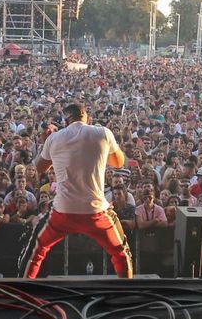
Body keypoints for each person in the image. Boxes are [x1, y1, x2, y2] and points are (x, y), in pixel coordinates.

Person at [22, 102, 133, 278]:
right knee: (121, 253)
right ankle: (127, 298)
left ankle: (23, 295)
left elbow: (39, 167)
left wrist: (48, 143)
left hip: (63, 212)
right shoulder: (102, 132)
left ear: (66, 121)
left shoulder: (55, 138)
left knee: (36, 251)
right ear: (87, 118)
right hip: (96, 211)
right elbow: (119, 162)